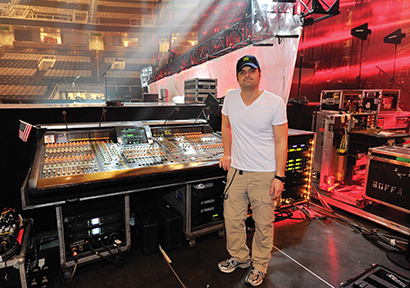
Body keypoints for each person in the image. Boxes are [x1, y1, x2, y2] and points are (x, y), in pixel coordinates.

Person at [218, 55, 288, 286]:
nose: (247, 74)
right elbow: (225, 126)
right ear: (237, 77)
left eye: (251, 70)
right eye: (242, 71)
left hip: (264, 173)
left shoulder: (274, 102)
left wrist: (279, 176)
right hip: (237, 171)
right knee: (232, 219)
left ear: (259, 74)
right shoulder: (230, 97)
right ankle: (240, 257)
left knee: (263, 224)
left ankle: (259, 265)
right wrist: (227, 154)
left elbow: (281, 141)